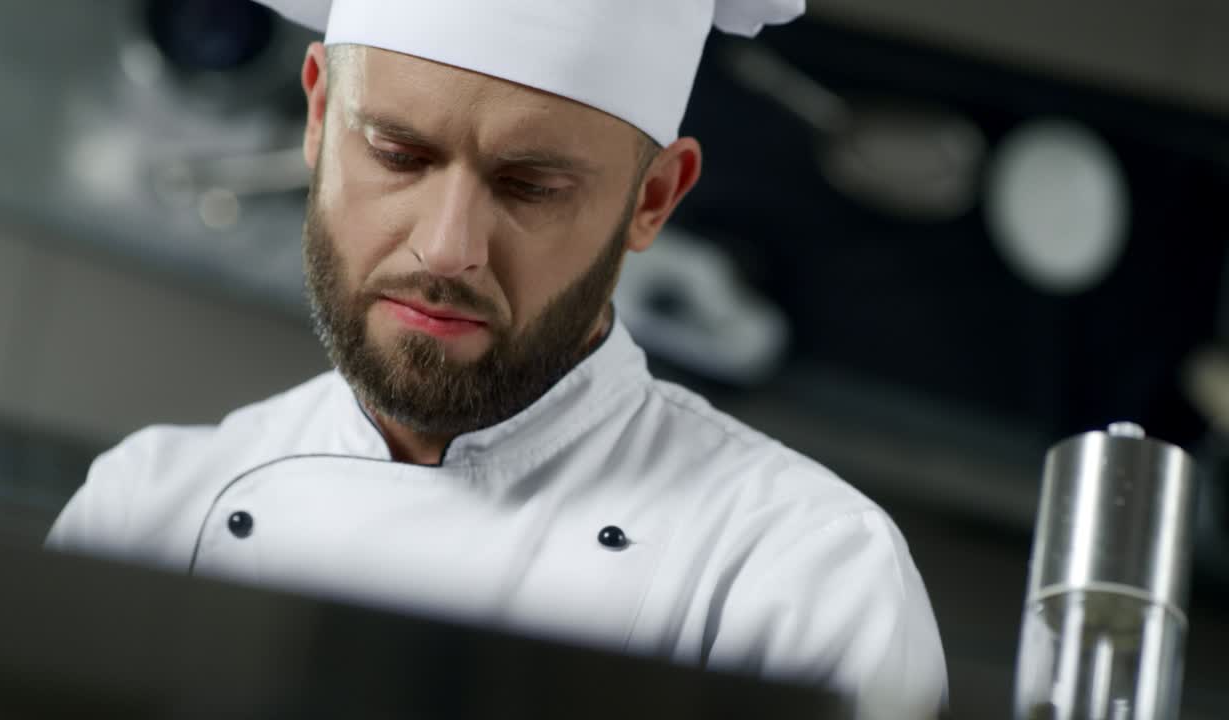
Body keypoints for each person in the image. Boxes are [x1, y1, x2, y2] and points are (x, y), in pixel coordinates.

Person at [48, 0, 947, 713]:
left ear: (654, 199)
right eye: (399, 154)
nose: (448, 249)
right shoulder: (149, 510)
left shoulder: (800, 573)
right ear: (319, 113)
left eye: (530, 187)